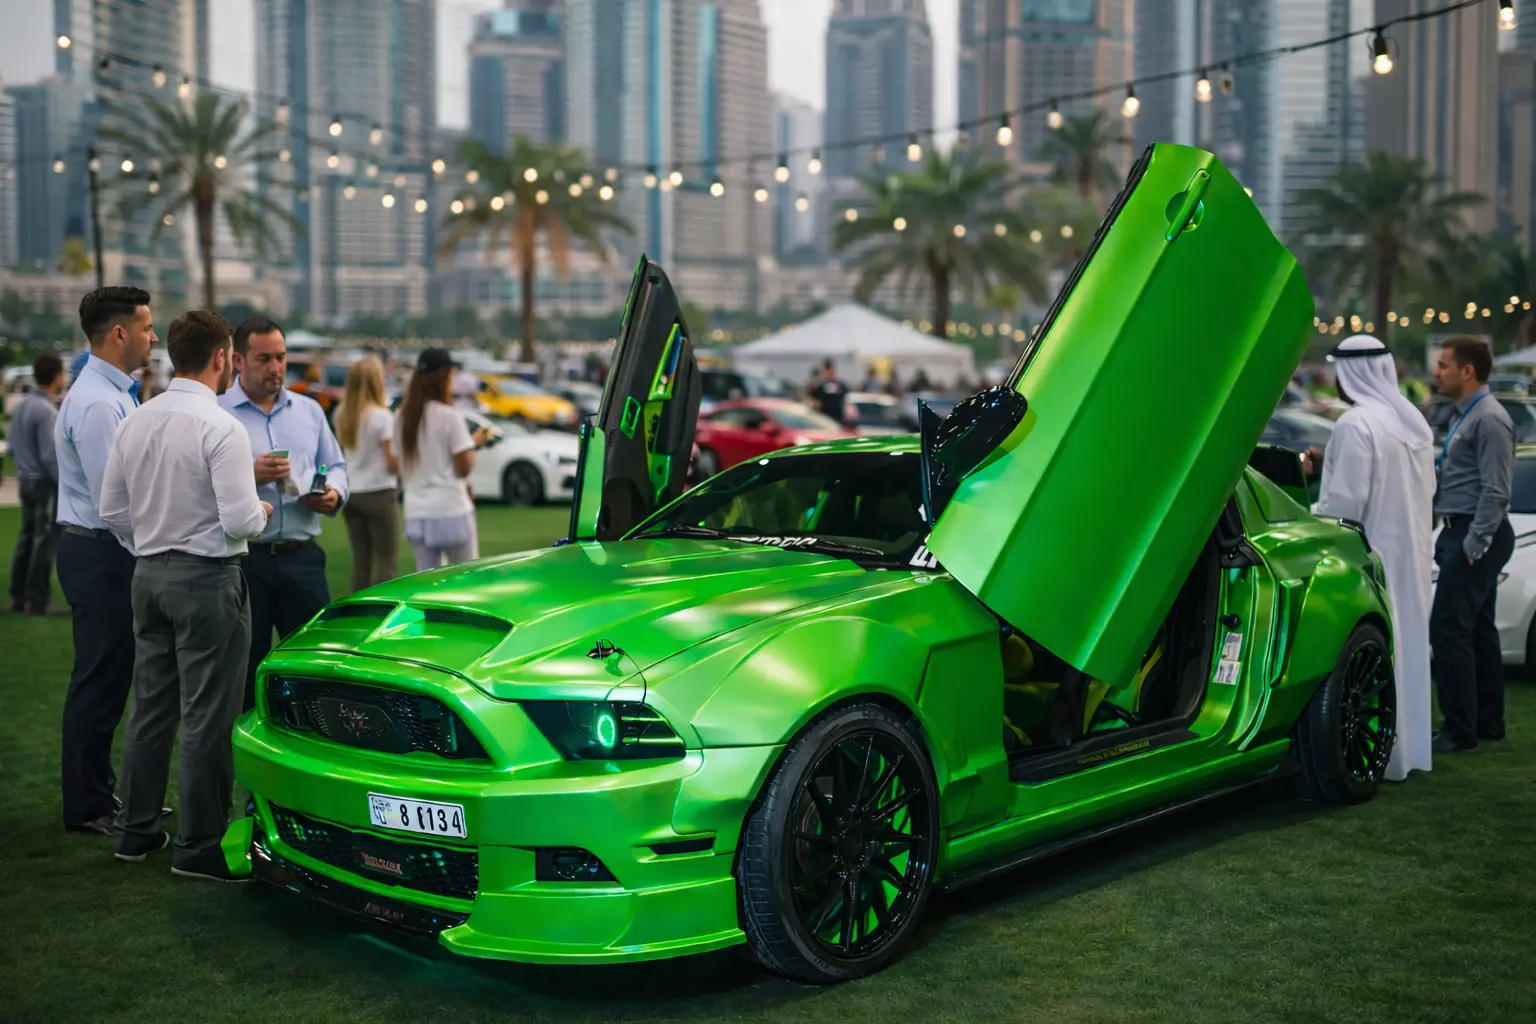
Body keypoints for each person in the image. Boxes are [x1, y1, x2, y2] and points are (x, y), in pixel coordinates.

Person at [99, 310, 271, 879]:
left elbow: (111, 511)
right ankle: (199, 847)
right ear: (223, 358)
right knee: (207, 716)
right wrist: (266, 510)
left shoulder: (137, 419)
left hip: (148, 575)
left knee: (150, 710)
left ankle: (135, 831)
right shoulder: (221, 426)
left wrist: (149, 545)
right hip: (206, 580)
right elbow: (242, 518)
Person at [1308, 335, 1435, 780]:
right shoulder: (1410, 421)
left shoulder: (1356, 423)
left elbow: (1345, 504)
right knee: (1409, 646)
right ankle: (1408, 751)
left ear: (1352, 373)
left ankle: (1375, 753)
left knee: (1374, 650)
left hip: (1372, 557)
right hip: (1413, 554)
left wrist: (1309, 515)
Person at [56, 286, 156, 836]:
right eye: (145, 326)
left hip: (102, 552)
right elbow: (113, 503)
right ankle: (89, 806)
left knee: (109, 678)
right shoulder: (98, 402)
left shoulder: (111, 392)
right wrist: (153, 554)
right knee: (99, 681)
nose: (153, 336)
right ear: (119, 333)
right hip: (100, 554)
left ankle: (100, 796)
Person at [219, 316, 349, 711]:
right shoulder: (218, 413)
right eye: (264, 359)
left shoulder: (309, 411)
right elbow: (194, 482)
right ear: (238, 360)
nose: (276, 368)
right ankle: (247, 759)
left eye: (281, 357)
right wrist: (249, 473)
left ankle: (310, 750)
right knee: (245, 669)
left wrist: (332, 494)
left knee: (312, 666)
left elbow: (338, 466)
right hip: (245, 560)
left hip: (303, 557)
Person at [1429, 336, 1516, 753]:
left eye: (1444, 365)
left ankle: (1459, 730)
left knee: (1447, 629)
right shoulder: (1466, 414)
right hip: (1464, 531)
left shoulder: (1489, 419)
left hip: (1476, 533)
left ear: (1467, 371)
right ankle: (1487, 722)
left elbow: (1495, 492)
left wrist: (1472, 545)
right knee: (1478, 629)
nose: (1436, 371)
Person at [396, 348, 490, 570]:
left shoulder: (401, 417)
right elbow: (464, 467)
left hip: (416, 514)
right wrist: (475, 444)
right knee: (464, 582)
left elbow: (400, 463)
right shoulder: (449, 416)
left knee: (429, 586)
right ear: (444, 377)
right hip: (450, 510)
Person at [335, 354, 399, 592]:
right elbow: (392, 462)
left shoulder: (342, 415)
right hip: (379, 492)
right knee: (386, 561)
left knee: (361, 562)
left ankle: (358, 614)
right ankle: (382, 614)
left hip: (352, 492)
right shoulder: (382, 417)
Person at [8, 354, 66, 614]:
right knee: (44, 543)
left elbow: (11, 447)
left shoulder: (22, 405)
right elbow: (49, 455)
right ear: (56, 376)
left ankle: (18, 596)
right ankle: (38, 600)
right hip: (43, 484)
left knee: (26, 538)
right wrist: (65, 483)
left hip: (25, 480)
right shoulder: (46, 410)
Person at [810, 358, 849, 425]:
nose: (829, 372)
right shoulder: (819, 385)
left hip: (838, 419)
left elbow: (845, 401)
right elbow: (815, 403)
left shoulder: (841, 385)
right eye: (827, 369)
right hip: (824, 420)